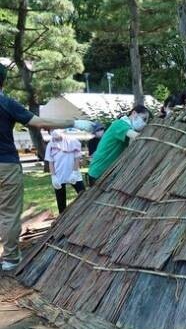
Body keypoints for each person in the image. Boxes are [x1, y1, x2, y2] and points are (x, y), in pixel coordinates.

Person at [0, 63, 94, 271]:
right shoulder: (6, 103)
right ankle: (10, 259)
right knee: (8, 213)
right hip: (5, 164)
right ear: (4, 81)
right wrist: (74, 123)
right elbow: (40, 122)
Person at [87, 105, 150, 186]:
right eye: (144, 119)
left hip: (108, 172)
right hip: (99, 171)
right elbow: (137, 137)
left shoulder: (127, 127)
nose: (144, 124)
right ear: (134, 113)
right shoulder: (120, 124)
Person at [45, 131, 85, 214]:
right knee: (61, 201)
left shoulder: (73, 141)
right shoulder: (50, 145)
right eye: (51, 131)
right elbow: (50, 162)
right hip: (58, 175)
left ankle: (85, 214)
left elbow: (77, 158)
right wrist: (53, 177)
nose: (54, 133)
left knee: (83, 194)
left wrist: (74, 172)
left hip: (73, 174)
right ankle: (62, 219)